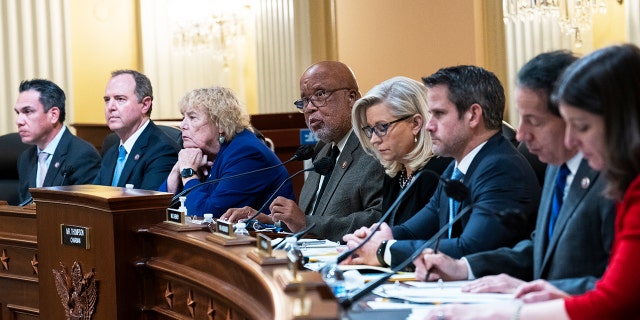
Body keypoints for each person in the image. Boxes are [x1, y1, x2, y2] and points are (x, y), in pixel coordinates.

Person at [425, 43, 640, 320]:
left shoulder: (614, 178)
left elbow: (620, 290)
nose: (522, 135)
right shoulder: (556, 166)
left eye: (582, 125)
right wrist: (468, 267)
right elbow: (544, 249)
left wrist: (517, 310)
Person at [342, 65, 540, 267]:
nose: (429, 125)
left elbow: (469, 248)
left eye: (439, 114)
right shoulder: (456, 168)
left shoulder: (501, 168)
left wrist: (384, 250)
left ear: (473, 115)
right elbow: (413, 230)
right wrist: (375, 237)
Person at [222, 61, 385, 242]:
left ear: (352, 98)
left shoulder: (374, 148)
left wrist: (306, 223)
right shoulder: (323, 150)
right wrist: (271, 222)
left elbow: (379, 219)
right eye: (305, 100)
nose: (309, 108)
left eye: (320, 94)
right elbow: (310, 217)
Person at [158, 86, 295, 218]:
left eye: (192, 118)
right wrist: (176, 171)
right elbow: (156, 209)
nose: (182, 125)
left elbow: (205, 215)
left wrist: (188, 173)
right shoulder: (200, 153)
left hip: (266, 238)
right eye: (183, 117)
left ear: (221, 125)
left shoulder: (246, 154)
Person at [351, 76, 452, 226]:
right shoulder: (396, 173)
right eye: (370, 129)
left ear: (416, 124)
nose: (373, 139)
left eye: (382, 127)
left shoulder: (442, 171)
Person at [15, 79, 101, 204]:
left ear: (53, 115)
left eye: (28, 111)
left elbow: (86, 215)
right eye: (18, 113)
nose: (19, 121)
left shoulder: (83, 155)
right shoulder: (25, 158)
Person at [93, 70, 180, 190]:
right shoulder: (112, 148)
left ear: (145, 105)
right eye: (107, 100)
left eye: (120, 99)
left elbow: (148, 205)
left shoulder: (162, 150)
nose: (110, 107)